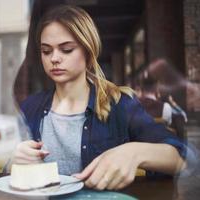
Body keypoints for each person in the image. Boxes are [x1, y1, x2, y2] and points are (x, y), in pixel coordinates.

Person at [10, 5, 187, 190]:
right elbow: (9, 171)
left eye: (67, 49)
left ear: (88, 51)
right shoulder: (30, 107)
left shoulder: (121, 104)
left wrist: (134, 152)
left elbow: (182, 158)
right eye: (46, 51)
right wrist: (14, 160)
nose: (54, 58)